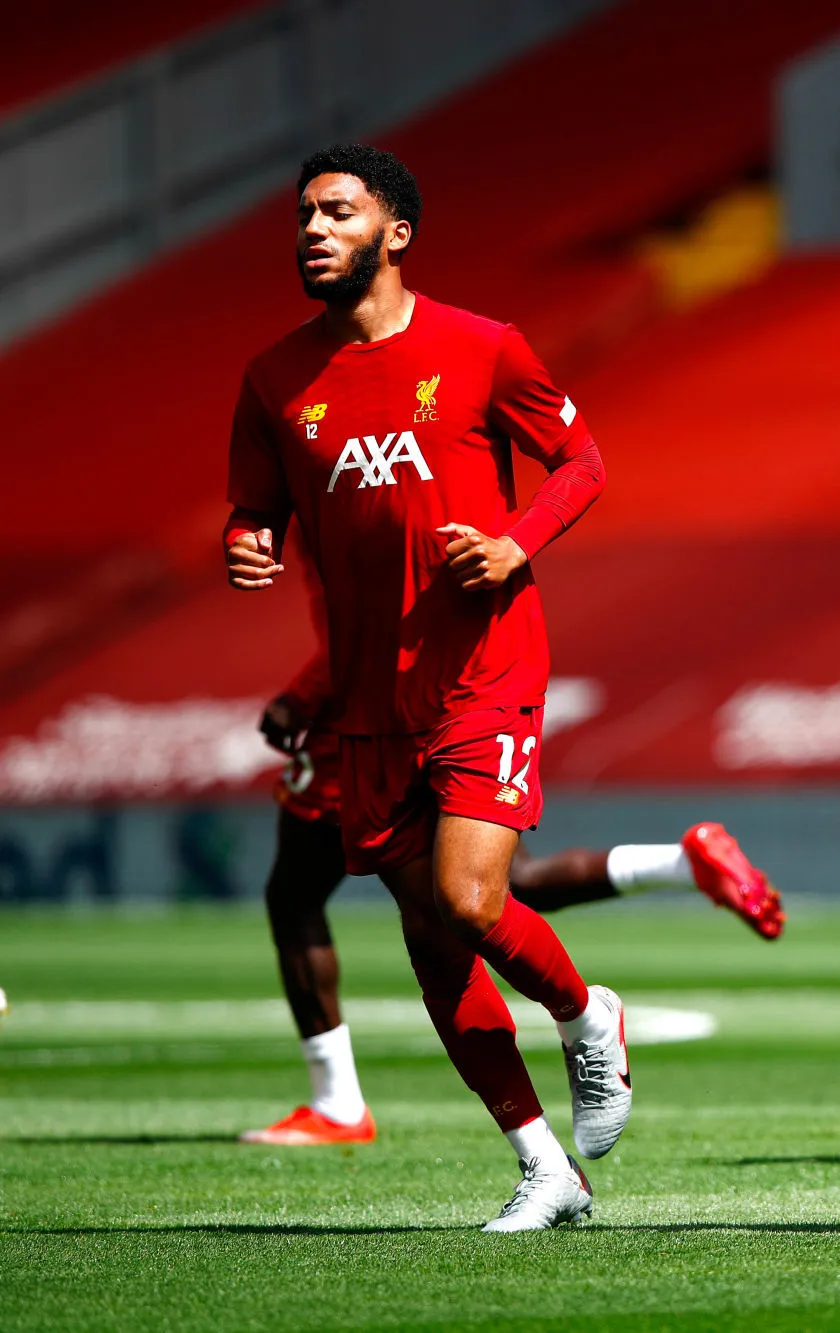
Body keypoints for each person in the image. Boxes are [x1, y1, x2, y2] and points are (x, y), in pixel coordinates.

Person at [226, 143, 627, 1231]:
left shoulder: (484, 348)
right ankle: (544, 1166)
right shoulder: (274, 380)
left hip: (482, 671)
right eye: (304, 214)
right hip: (364, 700)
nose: (313, 230)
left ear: (395, 233)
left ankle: (586, 1014)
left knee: (467, 898)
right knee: (431, 942)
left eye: (337, 212)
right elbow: (256, 511)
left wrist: (513, 543)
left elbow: (584, 463)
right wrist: (246, 542)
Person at [239, 605, 784, 1149]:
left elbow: (375, 606)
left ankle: (339, 1101)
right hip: (446, 695)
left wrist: (304, 693)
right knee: (493, 888)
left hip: (375, 712)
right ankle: (680, 864)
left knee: (316, 899)